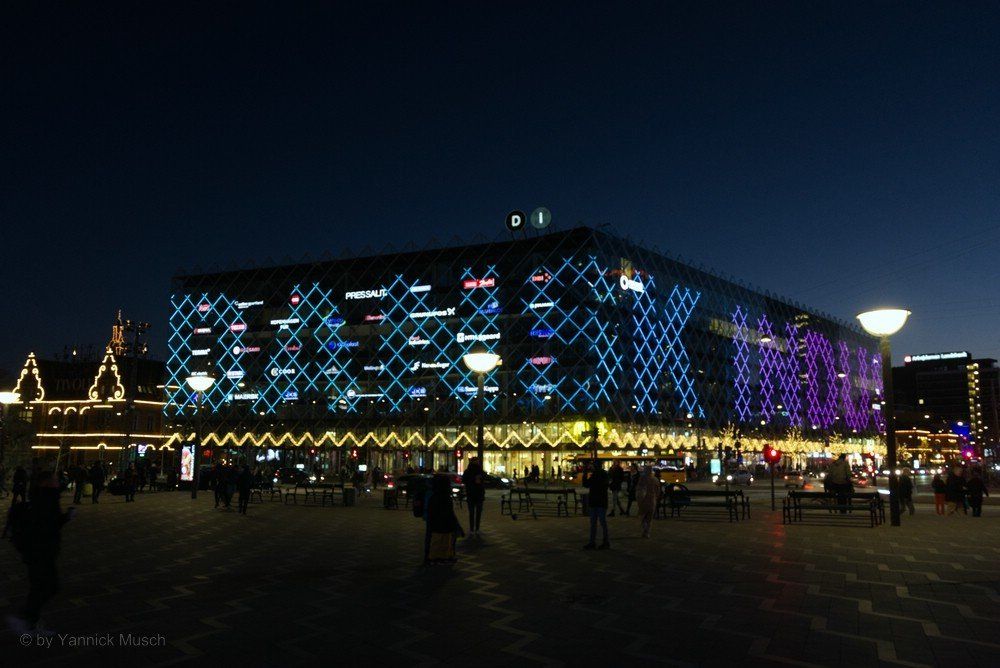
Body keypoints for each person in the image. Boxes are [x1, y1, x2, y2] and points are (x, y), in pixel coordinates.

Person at [5, 472, 73, 634]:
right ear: (46, 483)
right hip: (40, 551)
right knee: (49, 586)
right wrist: (64, 519)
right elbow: (46, 525)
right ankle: (25, 619)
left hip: (38, 551)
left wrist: (65, 518)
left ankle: (29, 621)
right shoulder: (46, 500)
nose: (58, 483)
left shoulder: (45, 498)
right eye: (55, 480)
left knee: (40, 586)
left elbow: (50, 523)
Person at [424, 474, 463, 565]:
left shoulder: (434, 495)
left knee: (438, 541)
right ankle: (441, 557)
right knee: (444, 541)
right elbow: (449, 512)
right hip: (445, 523)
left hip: (437, 523)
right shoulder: (445, 496)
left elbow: (431, 511)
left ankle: (436, 558)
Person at [582, 460, 610, 550]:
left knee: (594, 523)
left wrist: (585, 473)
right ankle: (604, 541)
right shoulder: (604, 474)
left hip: (595, 501)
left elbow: (586, 484)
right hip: (601, 501)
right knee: (602, 522)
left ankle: (593, 542)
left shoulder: (596, 475)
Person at [462, 457, 486, 536]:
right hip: (478, 494)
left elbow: (464, 480)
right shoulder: (480, 471)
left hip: (471, 494)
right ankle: (477, 529)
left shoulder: (467, 471)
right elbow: (485, 479)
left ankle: (472, 529)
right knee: (478, 512)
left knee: (472, 512)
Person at [635, 466, 660, 538]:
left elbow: (639, 490)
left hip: (644, 500)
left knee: (643, 517)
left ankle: (645, 530)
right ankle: (647, 532)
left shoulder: (642, 479)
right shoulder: (655, 479)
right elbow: (658, 491)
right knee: (650, 518)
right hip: (653, 500)